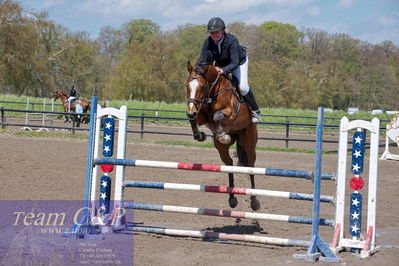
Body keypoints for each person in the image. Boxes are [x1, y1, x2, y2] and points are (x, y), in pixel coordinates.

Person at [197, 17, 261, 123]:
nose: (214, 35)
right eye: (211, 32)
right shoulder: (208, 42)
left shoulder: (232, 40)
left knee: (243, 88)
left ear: (223, 30)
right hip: (221, 64)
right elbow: (202, 61)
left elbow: (234, 62)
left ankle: (255, 110)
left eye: (216, 32)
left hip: (238, 63)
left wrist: (222, 70)